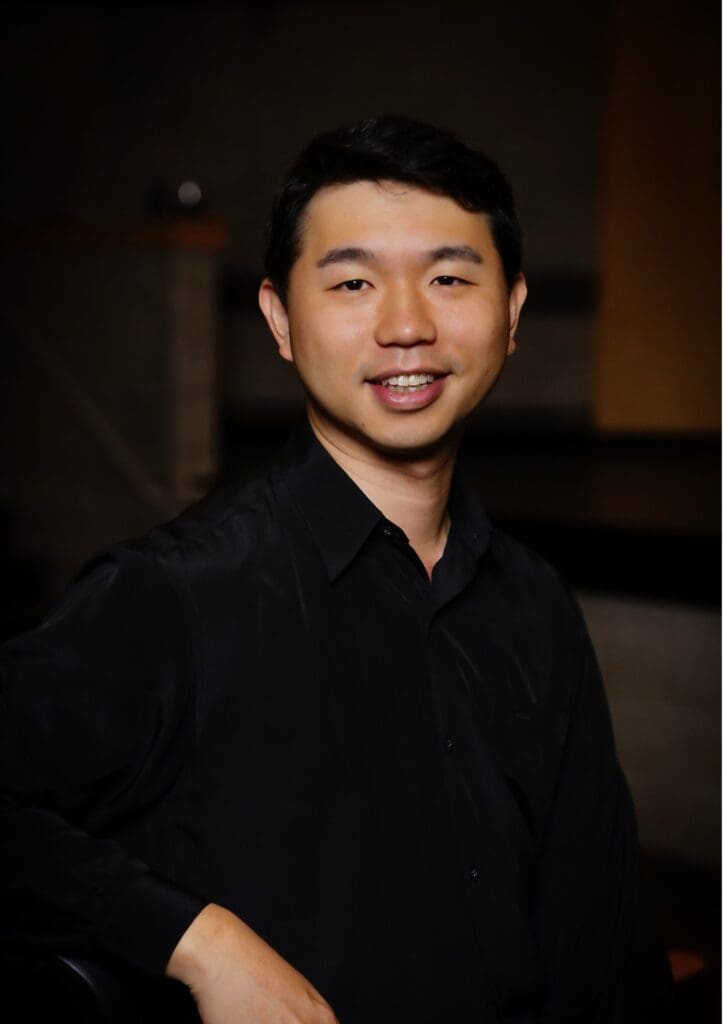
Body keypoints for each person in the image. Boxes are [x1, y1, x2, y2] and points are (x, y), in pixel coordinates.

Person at [0, 116, 673, 1023]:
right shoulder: (177, 594)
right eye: (353, 282)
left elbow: (602, 934)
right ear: (280, 319)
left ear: (512, 313)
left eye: (448, 278)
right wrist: (194, 940)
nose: (406, 325)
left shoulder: (535, 603)